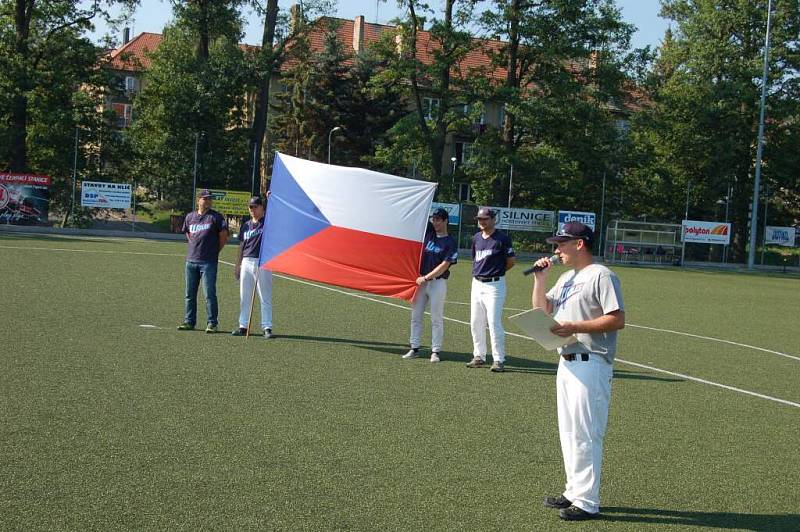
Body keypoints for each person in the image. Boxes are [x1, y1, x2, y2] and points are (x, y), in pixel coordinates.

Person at [530, 221, 625, 521]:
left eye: (561, 243)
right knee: (569, 432)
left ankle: (587, 501)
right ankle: (574, 491)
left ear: (580, 244)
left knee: (586, 434)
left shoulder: (602, 275)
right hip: (566, 361)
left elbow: (617, 318)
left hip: (591, 362)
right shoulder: (567, 278)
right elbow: (541, 311)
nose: (556, 249)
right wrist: (540, 279)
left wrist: (574, 326)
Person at [402, 207, 458, 363]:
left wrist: (426, 277)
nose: (435, 222)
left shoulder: (450, 242)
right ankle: (414, 348)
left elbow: (445, 265)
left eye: (439, 219)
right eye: (434, 219)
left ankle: (435, 351)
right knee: (415, 316)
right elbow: (419, 213)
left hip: (437, 283)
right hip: (421, 282)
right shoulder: (429, 234)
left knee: (436, 318)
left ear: (446, 220)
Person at [467, 207, 515, 372]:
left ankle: (498, 359)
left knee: (493, 322)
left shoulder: (502, 239)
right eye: (480, 219)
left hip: (495, 284)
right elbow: (475, 258)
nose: (482, 221)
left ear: (493, 220)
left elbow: (511, 261)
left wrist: (497, 272)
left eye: (485, 219)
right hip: (477, 283)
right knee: (475, 322)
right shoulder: (476, 238)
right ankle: (479, 356)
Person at [177, 189, 228, 333]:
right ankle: (189, 321)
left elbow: (223, 236)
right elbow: (187, 232)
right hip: (191, 261)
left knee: (209, 294)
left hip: (208, 262)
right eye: (205, 198)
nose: (208, 201)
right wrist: (195, 246)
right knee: (189, 294)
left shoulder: (216, 217)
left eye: (209, 199)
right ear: (198, 200)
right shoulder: (190, 217)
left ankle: (212, 323)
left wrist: (214, 251)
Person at [232, 195, 274, 339]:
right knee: (245, 296)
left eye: (255, 206)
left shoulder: (268, 222)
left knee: (265, 296)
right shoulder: (246, 225)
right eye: (251, 207)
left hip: (263, 262)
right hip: (246, 262)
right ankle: (243, 326)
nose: (253, 209)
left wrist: (270, 199)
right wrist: (237, 265)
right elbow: (241, 246)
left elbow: (276, 213)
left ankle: (267, 327)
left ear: (262, 208)